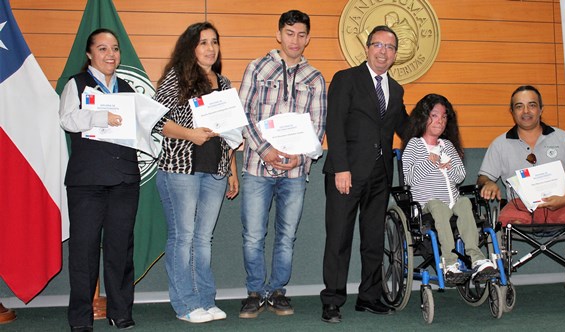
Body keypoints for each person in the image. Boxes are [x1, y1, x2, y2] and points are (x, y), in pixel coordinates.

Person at [237, 10, 326, 319]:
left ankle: (277, 292)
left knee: (287, 235)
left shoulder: (315, 78)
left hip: (296, 171)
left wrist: (299, 157)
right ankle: (253, 292)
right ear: (279, 35)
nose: (295, 40)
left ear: (308, 38)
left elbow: (319, 126)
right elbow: (243, 115)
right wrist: (265, 150)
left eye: (302, 35)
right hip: (257, 167)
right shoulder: (256, 68)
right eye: (290, 33)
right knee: (253, 235)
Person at [153, 22, 240, 324]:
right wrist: (190, 134)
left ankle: (205, 299)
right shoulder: (177, 78)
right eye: (203, 42)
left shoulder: (225, 83)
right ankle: (185, 305)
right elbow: (156, 122)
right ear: (191, 47)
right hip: (181, 170)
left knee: (203, 239)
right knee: (183, 237)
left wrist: (232, 171)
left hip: (214, 170)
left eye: (214, 42)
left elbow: (230, 132)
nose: (210, 48)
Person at [321, 25, 408, 324]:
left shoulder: (396, 89)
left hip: (380, 175)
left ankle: (369, 297)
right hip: (347, 172)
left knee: (372, 239)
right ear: (368, 48)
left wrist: (435, 120)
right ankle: (332, 299)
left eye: (390, 47)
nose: (383, 51)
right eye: (378, 45)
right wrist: (342, 168)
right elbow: (334, 124)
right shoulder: (346, 79)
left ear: (395, 55)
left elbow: (406, 129)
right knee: (339, 238)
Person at [59, 28, 139, 331]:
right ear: (90, 54)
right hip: (87, 182)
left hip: (124, 181)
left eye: (115, 49)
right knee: (84, 251)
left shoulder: (129, 88)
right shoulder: (76, 84)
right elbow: (67, 119)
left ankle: (121, 313)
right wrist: (99, 116)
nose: (110, 55)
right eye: (103, 49)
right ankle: (80, 320)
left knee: (120, 249)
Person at [401, 94, 497, 283]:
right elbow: (409, 178)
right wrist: (430, 163)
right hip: (426, 204)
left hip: (452, 200)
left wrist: (449, 166)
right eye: (435, 115)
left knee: (464, 203)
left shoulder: (448, 146)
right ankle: (449, 262)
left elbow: (460, 176)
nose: (440, 121)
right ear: (423, 117)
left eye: (444, 117)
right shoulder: (414, 145)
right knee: (439, 206)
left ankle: (476, 259)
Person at [477, 85, 565, 225]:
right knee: (506, 219)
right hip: (520, 207)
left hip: (561, 203)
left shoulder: (562, 138)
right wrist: (488, 183)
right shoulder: (500, 144)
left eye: (532, 105)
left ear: (541, 109)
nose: (526, 111)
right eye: (519, 106)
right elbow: (483, 177)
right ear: (512, 111)